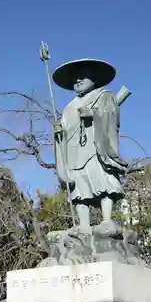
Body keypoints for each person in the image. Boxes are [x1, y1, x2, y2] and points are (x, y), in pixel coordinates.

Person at [52, 59, 128, 235]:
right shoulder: (68, 107)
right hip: (74, 152)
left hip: (96, 149)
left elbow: (111, 116)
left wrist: (94, 114)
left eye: (82, 77)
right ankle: (83, 224)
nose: (77, 80)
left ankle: (107, 219)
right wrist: (58, 132)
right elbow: (65, 128)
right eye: (75, 78)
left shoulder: (103, 95)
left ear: (94, 78)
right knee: (79, 189)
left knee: (103, 181)